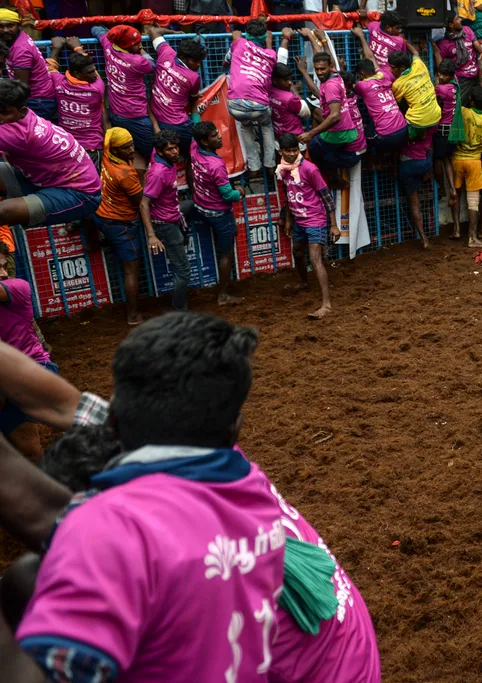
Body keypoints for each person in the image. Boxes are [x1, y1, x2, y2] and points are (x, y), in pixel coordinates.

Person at [1, 313, 281, 679]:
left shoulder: (113, 529)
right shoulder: (248, 486)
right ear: (235, 426)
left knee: (24, 578)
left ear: (113, 417)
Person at [0, 80, 101, 227]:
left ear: (21, 111)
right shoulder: (24, 117)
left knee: (4, 211)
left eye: (5, 113)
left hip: (79, 193)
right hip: (42, 178)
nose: (0, 118)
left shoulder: (20, 134)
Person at [0, 242, 55, 461]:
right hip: (8, 374)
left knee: (28, 448)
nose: (3, 274)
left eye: (4, 266)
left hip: (32, 370)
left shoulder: (18, 287)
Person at [277, 132, 338, 318]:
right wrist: (288, 219)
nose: (292, 154)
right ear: (281, 151)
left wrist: (333, 225)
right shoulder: (283, 169)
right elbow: (288, 195)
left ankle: (326, 304)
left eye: (295, 150)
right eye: (288, 151)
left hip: (315, 219)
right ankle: (304, 282)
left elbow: (326, 195)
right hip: (299, 220)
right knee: (297, 252)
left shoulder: (310, 169)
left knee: (315, 258)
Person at [226, 21, 292, 176]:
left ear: (247, 35)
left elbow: (226, 60)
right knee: (266, 125)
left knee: (245, 125)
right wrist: (269, 42)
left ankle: (254, 167)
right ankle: (269, 164)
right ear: (265, 37)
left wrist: (236, 38)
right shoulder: (271, 55)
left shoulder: (239, 43)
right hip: (259, 106)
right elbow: (272, 53)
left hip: (235, 105)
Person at [190, 121, 245, 306]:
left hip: (201, 204)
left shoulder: (194, 148)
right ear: (205, 142)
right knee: (226, 253)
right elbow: (228, 195)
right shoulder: (216, 165)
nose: (219, 136)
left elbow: (196, 119)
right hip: (219, 213)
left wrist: (196, 106)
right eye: (214, 135)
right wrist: (241, 192)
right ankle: (223, 295)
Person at [95, 128, 145, 326]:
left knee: (119, 263)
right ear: (115, 149)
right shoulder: (125, 173)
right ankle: (132, 316)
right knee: (131, 270)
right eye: (126, 148)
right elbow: (139, 201)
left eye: (132, 144)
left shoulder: (106, 155)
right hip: (121, 223)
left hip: (102, 216)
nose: (132, 150)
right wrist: (144, 179)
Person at [141, 130, 189, 311]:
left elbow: (158, 134)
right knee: (183, 273)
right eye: (170, 149)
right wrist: (152, 236)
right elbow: (144, 204)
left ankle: (184, 234)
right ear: (160, 152)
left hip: (173, 213)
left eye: (176, 147)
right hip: (165, 224)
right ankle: (179, 313)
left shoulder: (164, 158)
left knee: (193, 205)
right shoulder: (158, 173)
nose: (175, 152)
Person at [146, 25, 206, 170]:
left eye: (199, 61)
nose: (198, 65)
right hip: (178, 125)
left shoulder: (166, 52)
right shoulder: (193, 77)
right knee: (198, 153)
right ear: (184, 58)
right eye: (195, 61)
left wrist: (172, 32)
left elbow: (152, 30)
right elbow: (193, 102)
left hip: (158, 119)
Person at [94, 24, 155, 164]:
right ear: (126, 46)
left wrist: (112, 33)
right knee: (152, 153)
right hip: (136, 116)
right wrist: (142, 50)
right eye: (137, 44)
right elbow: (152, 65)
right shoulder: (137, 61)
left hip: (116, 113)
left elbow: (97, 29)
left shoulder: (109, 46)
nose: (140, 45)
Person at [45, 37, 106, 167]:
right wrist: (78, 48)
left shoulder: (59, 83)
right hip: (89, 148)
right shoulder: (96, 88)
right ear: (77, 74)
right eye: (90, 72)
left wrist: (56, 48)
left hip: (69, 146)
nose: (94, 74)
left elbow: (50, 68)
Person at [300, 52, 365, 174]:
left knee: (313, 146)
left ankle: (330, 178)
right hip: (349, 131)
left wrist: (310, 133)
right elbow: (328, 58)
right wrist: (323, 41)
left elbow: (335, 116)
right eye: (317, 69)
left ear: (330, 66)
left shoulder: (331, 86)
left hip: (338, 133)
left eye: (322, 69)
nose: (319, 72)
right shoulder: (336, 75)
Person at [451, 85, 482, 248]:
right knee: (473, 202)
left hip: (457, 159)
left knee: (455, 195)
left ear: (471, 100)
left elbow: (457, 101)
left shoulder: (464, 112)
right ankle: (472, 237)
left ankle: (456, 229)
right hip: (474, 162)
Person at [350, 25, 409, 154]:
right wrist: (361, 36)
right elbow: (371, 58)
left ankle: (374, 163)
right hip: (404, 130)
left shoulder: (362, 86)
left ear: (361, 75)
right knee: (392, 145)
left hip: (387, 137)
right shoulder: (385, 77)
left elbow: (347, 84)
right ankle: (390, 163)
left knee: (363, 132)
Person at [0, 7, 56, 122]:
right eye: (1, 26)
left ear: (18, 25)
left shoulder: (21, 50)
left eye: (10, 26)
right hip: (38, 96)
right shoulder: (16, 38)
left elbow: (20, 87)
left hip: (37, 101)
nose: (5, 30)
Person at [396, 119, 436, 249]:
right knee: (429, 151)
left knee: (414, 203)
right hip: (423, 164)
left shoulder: (404, 129)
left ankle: (424, 239)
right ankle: (426, 176)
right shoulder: (431, 126)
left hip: (407, 165)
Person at [388, 49, 442, 141]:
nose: (390, 70)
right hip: (436, 116)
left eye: (393, 67)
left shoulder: (398, 84)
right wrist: (407, 42)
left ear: (402, 67)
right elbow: (416, 53)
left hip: (417, 122)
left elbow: (397, 104)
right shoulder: (418, 64)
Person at [435, 13, 482, 88]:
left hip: (475, 75)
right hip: (460, 79)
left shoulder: (467, 30)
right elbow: (441, 66)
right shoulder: (444, 43)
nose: (460, 20)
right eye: (457, 19)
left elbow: (480, 49)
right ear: (451, 25)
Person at [433, 59, 458, 209]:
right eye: (440, 74)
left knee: (437, 159)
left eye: (444, 75)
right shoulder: (456, 84)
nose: (441, 77)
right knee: (447, 159)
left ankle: (442, 188)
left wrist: (436, 81)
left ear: (450, 75)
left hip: (442, 129)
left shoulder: (442, 89)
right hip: (453, 129)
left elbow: (433, 90)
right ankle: (453, 189)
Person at [269, 63, 315, 140]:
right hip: (296, 138)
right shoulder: (289, 98)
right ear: (274, 80)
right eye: (285, 80)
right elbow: (306, 112)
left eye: (290, 79)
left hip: (278, 136)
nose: (290, 83)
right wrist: (296, 94)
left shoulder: (268, 90)